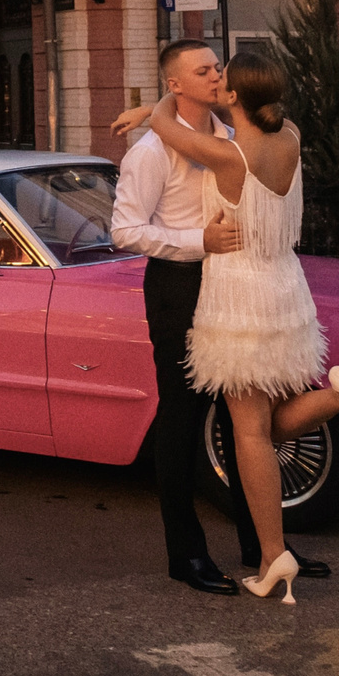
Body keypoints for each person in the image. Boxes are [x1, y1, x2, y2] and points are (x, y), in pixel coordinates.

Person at [140, 47, 339, 605]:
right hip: (285, 287)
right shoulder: (290, 135)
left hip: (238, 293)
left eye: (222, 77)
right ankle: (338, 395)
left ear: (232, 97)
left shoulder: (228, 154)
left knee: (250, 432)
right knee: (265, 426)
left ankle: (274, 555)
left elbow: (163, 122)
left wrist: (160, 100)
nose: (216, 79)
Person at [108, 38, 265, 597]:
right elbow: (124, 231)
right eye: (204, 70)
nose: (217, 75)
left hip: (229, 285)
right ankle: (187, 554)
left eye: (218, 66)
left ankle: (264, 547)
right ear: (176, 85)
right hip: (178, 287)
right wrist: (197, 240)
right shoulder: (150, 152)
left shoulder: (228, 133)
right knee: (181, 417)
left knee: (241, 419)